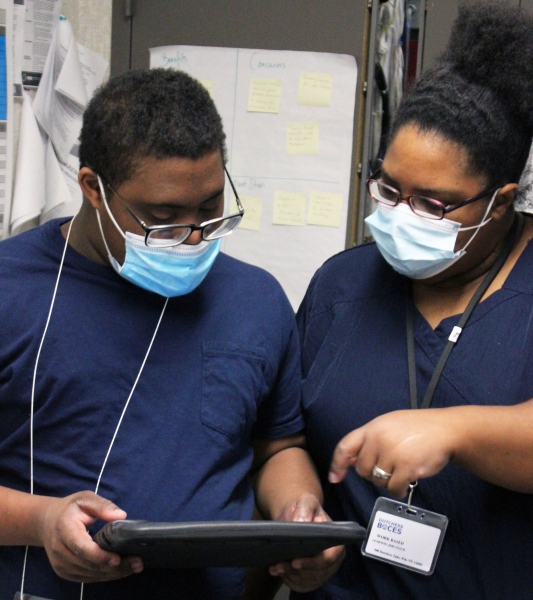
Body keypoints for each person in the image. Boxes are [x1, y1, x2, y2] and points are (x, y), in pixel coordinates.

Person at [0, 69, 342, 600]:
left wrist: (299, 509)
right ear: (93, 188)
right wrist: (43, 520)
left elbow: (278, 448)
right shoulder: (10, 290)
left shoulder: (256, 301)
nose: (194, 236)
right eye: (163, 219)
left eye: (209, 209)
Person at [293, 3, 533, 599]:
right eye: (389, 188)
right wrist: (299, 513)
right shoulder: (341, 287)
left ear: (502, 201)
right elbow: (285, 439)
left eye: (433, 204)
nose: (400, 215)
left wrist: (457, 431)